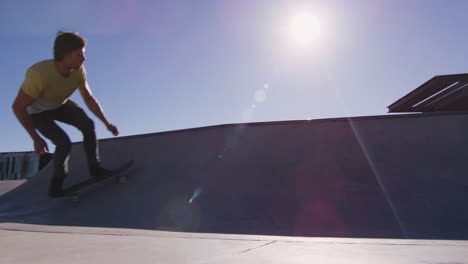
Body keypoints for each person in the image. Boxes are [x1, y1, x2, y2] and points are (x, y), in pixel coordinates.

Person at [12, 31, 119, 197]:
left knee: (88, 125)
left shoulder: (79, 71)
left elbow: (89, 99)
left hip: (60, 105)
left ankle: (95, 168)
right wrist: (36, 138)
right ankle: (56, 184)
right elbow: (18, 107)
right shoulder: (39, 74)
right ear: (66, 55)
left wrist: (107, 123)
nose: (84, 59)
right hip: (38, 113)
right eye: (80, 54)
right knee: (63, 143)